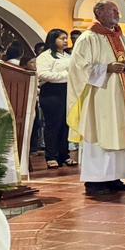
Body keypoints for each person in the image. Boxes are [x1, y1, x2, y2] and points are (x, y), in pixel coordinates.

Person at [67, 0, 125, 196]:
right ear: (99, 13)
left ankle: (114, 177)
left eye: (117, 10)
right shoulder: (88, 38)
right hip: (100, 97)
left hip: (122, 96)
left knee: (118, 134)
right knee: (100, 134)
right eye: (112, 10)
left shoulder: (123, 39)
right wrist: (106, 68)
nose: (117, 13)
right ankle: (95, 181)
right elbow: (78, 68)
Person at [35, 29, 73, 169]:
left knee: (65, 124)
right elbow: (43, 74)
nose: (65, 41)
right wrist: (65, 75)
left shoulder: (68, 56)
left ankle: (64, 155)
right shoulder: (45, 56)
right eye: (62, 38)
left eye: (66, 38)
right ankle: (51, 156)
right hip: (51, 92)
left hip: (66, 92)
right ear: (53, 39)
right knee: (53, 125)